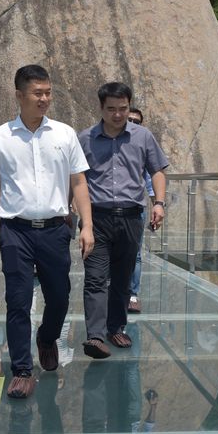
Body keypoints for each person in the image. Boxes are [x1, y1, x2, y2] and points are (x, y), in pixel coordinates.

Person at [0, 64, 94, 399]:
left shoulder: (64, 134)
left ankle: (47, 337)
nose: (44, 99)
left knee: (59, 297)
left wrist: (87, 225)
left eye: (48, 93)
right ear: (19, 95)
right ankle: (22, 370)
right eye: (38, 93)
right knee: (18, 300)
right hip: (16, 231)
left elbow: (79, 182)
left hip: (55, 229)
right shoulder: (0, 137)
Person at [78, 83, 168, 359]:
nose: (118, 115)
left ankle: (115, 327)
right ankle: (95, 336)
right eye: (111, 109)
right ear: (101, 108)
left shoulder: (143, 136)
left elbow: (157, 171)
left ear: (129, 106)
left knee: (122, 278)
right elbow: (76, 179)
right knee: (95, 277)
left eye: (123, 109)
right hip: (97, 218)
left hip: (131, 217)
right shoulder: (85, 139)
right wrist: (77, 216)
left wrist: (159, 203)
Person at [126, 107, 156, 314]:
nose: (132, 124)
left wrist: (158, 204)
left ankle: (132, 294)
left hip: (136, 208)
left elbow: (151, 178)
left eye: (137, 122)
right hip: (107, 209)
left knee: (135, 254)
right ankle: (110, 292)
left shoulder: (143, 144)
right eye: (130, 120)